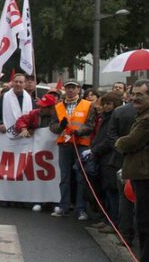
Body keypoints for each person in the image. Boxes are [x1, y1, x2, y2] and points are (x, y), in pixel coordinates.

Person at [115, 79, 149, 261]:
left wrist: (120, 142)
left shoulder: (148, 119)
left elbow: (129, 142)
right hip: (142, 174)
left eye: (140, 95)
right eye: (133, 94)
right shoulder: (142, 115)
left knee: (146, 223)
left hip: (146, 177)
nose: (135, 98)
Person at [49, 80, 95, 220]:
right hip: (65, 144)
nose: (70, 90)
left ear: (78, 89)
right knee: (65, 177)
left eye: (73, 88)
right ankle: (64, 207)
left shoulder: (88, 105)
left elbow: (90, 125)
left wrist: (78, 132)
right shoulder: (57, 106)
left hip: (81, 144)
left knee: (81, 178)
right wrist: (60, 127)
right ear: (65, 89)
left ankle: (81, 209)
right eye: (68, 88)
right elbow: (53, 126)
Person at [87, 91, 123, 233]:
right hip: (102, 158)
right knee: (105, 190)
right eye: (104, 103)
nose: (105, 106)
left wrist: (94, 150)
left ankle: (113, 222)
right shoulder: (104, 117)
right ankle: (106, 218)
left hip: (110, 159)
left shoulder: (114, 118)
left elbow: (109, 140)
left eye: (109, 103)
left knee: (111, 191)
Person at [106, 92, 138, 246]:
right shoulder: (120, 112)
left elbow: (111, 135)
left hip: (123, 159)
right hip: (131, 160)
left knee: (125, 199)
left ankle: (126, 235)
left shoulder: (119, 111)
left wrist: (121, 148)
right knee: (128, 199)